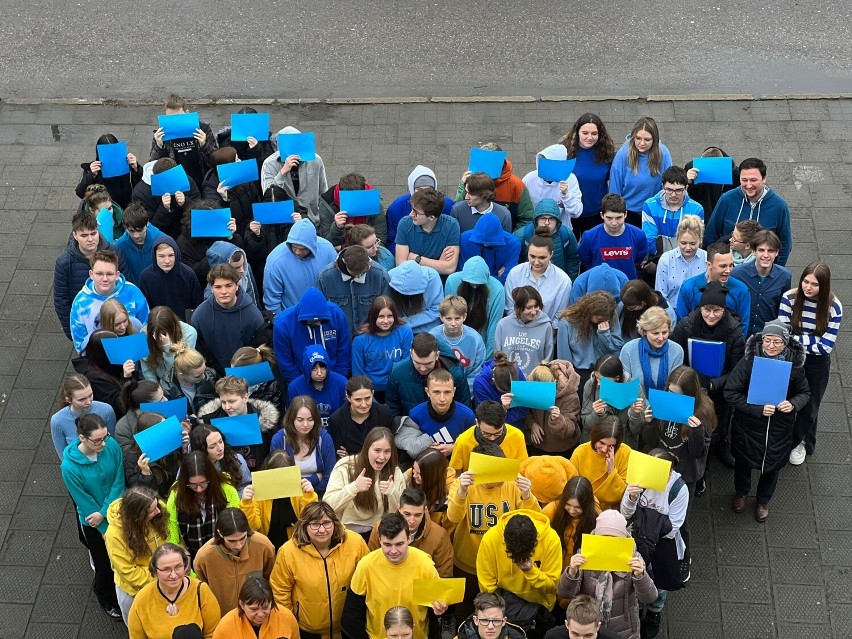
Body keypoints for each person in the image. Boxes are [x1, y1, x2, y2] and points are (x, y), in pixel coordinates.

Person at [725, 320, 810, 521]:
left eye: (777, 342)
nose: (771, 346)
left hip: (779, 428)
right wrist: (757, 409)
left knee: (773, 466)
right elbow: (730, 392)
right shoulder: (748, 362)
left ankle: (763, 500)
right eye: (767, 340)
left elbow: (805, 392)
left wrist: (793, 404)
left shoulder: (794, 367)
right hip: (748, 426)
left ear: (786, 344)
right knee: (743, 462)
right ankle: (742, 492)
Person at [446, 442, 538, 614]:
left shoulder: (513, 481)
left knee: (498, 615)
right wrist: (462, 493)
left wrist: (527, 496)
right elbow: (453, 517)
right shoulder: (462, 484)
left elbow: (535, 521)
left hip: (503, 565)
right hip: (468, 563)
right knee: (466, 611)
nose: (503, 477)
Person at [638, 368, 714, 570]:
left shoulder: (703, 413)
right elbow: (650, 440)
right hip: (658, 465)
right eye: (670, 392)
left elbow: (699, 453)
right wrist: (650, 423)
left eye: (678, 395)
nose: (672, 398)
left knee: (680, 521)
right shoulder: (661, 404)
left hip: (684, 475)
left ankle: (684, 558)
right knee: (650, 510)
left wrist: (697, 431)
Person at [669, 283, 745, 471]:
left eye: (717, 310)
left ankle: (719, 446)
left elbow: (737, 369)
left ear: (724, 309)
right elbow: (675, 354)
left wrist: (714, 384)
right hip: (690, 386)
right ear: (701, 308)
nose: (711, 315)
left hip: (719, 389)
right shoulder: (686, 326)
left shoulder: (734, 332)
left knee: (719, 422)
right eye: (707, 309)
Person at [270, 501, 370, 639]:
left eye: (327, 523)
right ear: (304, 525)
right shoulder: (288, 552)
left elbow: (368, 579)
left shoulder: (355, 542)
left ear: (334, 523)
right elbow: (280, 590)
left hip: (347, 628)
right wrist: (290, 622)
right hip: (308, 631)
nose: (322, 530)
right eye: (315, 524)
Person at [341, 513, 447, 639]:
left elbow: (436, 606)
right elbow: (352, 612)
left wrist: (439, 609)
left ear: (408, 538)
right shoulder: (366, 565)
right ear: (379, 540)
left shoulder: (424, 564)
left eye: (399, 544)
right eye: (387, 545)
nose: (393, 551)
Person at [61, 413, 126, 618]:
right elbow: (83, 500)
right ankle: (104, 596)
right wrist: (104, 526)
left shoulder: (111, 445)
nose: (104, 443)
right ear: (82, 438)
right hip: (94, 523)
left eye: (105, 437)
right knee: (104, 565)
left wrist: (105, 511)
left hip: (114, 512)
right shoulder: (69, 467)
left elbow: (118, 480)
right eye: (97, 440)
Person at [779, 261, 843, 464]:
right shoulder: (789, 298)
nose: (808, 287)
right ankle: (783, 438)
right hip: (791, 359)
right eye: (805, 281)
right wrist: (810, 340)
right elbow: (782, 336)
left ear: (823, 287)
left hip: (816, 363)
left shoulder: (834, 308)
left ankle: (800, 442)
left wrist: (795, 340)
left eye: (814, 284)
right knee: (785, 398)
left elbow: (825, 347)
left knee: (810, 405)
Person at [557, 511, 657, 639]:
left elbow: (650, 598)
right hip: (588, 627)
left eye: (614, 540)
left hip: (623, 628)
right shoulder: (584, 556)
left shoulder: (634, 559)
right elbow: (564, 593)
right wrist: (571, 572)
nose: (609, 544)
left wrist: (640, 576)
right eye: (604, 538)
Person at [620, 450, 687, 638]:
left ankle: (654, 611)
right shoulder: (638, 481)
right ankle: (638, 606)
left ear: (668, 471)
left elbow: (672, 528)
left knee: (659, 582)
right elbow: (624, 513)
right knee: (637, 576)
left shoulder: (678, 489)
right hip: (637, 542)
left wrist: (642, 518)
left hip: (661, 547)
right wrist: (632, 498)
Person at [476, 511, 562, 632]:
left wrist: (531, 571)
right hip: (503, 609)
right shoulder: (490, 538)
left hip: (539, 613)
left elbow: (552, 587)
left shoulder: (551, 539)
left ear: (535, 542)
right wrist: (500, 615)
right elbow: (487, 585)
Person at [54, 210, 129, 341]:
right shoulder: (64, 263)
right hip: (88, 327)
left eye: (93, 233)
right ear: (75, 236)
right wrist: (73, 332)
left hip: (118, 323)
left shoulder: (115, 253)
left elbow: (126, 288)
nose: (90, 239)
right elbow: (62, 301)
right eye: (84, 235)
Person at [704, 157, 793, 265]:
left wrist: (775, 271)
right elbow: (710, 234)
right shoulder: (727, 199)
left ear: (764, 179)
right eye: (744, 180)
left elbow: (785, 243)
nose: (749, 185)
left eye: (753, 180)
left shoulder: (779, 207)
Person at [127, 543, 221, 639]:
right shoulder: (143, 598)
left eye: (178, 567)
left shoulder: (201, 591)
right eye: (166, 570)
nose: (173, 575)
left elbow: (213, 634)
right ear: (155, 572)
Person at [324, 428, 406, 538]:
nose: (382, 457)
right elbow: (328, 506)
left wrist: (392, 492)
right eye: (377, 450)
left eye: (387, 451)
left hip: (379, 533)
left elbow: (403, 512)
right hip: (346, 532)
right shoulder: (345, 466)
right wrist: (354, 488)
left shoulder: (395, 472)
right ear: (367, 449)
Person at [104, 486, 169, 623]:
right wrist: (164, 576)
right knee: (137, 626)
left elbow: (173, 539)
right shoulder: (114, 535)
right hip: (134, 591)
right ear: (138, 516)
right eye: (152, 511)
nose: (158, 511)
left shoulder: (158, 507)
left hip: (165, 579)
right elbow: (129, 573)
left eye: (156, 505)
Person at [194, 508, 275, 613]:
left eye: (243, 538)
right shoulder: (204, 557)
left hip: (257, 616)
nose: (238, 545)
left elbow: (272, 581)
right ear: (220, 533)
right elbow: (202, 593)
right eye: (232, 541)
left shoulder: (264, 546)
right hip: (222, 619)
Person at [70, 250, 150, 354]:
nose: (105, 279)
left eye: (109, 274)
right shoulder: (80, 302)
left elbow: (146, 326)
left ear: (117, 275)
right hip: (100, 360)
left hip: (134, 356)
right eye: (99, 274)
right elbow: (80, 342)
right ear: (91, 274)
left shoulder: (133, 292)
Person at [166, 451, 241, 560]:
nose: (199, 489)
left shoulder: (226, 489)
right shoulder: (177, 494)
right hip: (190, 556)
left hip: (223, 553)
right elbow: (172, 535)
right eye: (193, 484)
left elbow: (233, 526)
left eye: (203, 483)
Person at [192, 263, 265, 374]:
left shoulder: (254, 316)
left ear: (237, 286)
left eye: (228, 285)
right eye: (218, 287)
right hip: (213, 376)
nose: (224, 291)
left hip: (245, 376)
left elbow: (259, 356)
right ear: (211, 288)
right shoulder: (199, 316)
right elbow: (198, 353)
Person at [198, 375, 280, 472]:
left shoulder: (264, 421)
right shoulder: (210, 422)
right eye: (223, 402)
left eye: (232, 401)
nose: (227, 407)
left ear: (245, 398)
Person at [367, 487, 454, 577]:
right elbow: (372, 561)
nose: (412, 520)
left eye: (417, 515)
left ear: (425, 510)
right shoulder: (379, 527)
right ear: (399, 508)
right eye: (407, 514)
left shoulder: (439, 535)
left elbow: (444, 574)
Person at [239, 450, 318, 549]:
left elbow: (311, 519)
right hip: (267, 546)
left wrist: (309, 496)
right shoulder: (257, 491)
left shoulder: (300, 488)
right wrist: (247, 503)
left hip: (297, 545)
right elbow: (253, 527)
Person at [273, 286, 351, 385]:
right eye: (313, 321)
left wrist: (338, 380)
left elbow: (344, 351)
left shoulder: (336, 314)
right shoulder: (283, 323)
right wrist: (301, 386)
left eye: (321, 320)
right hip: (302, 381)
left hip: (334, 378)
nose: (318, 323)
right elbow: (285, 361)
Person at [395, 369, 477, 460]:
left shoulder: (467, 415)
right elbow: (412, 447)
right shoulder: (415, 414)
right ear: (427, 392)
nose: (442, 398)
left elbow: (475, 446)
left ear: (454, 392)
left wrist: (455, 448)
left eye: (447, 392)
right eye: (436, 392)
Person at [559, 113, 617, 238]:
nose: (589, 137)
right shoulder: (564, 152)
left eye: (594, 134)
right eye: (585, 133)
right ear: (577, 132)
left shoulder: (607, 154)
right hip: (569, 212)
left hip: (596, 214)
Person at [386, 332, 471, 417]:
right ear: (411, 354)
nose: (423, 368)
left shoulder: (455, 374)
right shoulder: (397, 373)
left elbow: (464, 408)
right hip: (411, 425)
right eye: (417, 363)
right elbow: (393, 407)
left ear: (437, 355)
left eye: (428, 363)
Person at [609, 117, 672, 228]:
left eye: (647, 140)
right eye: (638, 138)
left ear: (655, 139)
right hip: (629, 213)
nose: (641, 143)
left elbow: (668, 183)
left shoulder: (663, 153)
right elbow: (615, 190)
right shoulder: (623, 155)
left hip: (654, 212)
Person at [675, 242, 750, 336]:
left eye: (731, 265)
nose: (728, 270)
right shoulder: (689, 287)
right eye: (723, 266)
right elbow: (682, 323)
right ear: (709, 265)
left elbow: (743, 326)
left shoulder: (741, 290)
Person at [454, 143, 534, 231]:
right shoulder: (469, 181)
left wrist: (512, 239)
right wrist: (463, 184)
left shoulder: (516, 185)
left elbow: (526, 219)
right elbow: (458, 208)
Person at [264, 218, 338, 314]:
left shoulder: (327, 250)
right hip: (293, 320)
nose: (298, 252)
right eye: (294, 247)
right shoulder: (275, 261)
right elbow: (272, 301)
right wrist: (281, 324)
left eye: (303, 249)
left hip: (325, 316)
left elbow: (337, 283)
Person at [317, 245, 391, 336]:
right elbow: (320, 312)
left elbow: (388, 309)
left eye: (362, 272)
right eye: (355, 273)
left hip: (370, 338)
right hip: (340, 337)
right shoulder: (325, 277)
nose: (359, 276)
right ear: (344, 262)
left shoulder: (380, 275)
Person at [260, 125, 329, 223]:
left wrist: (322, 218)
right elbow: (268, 195)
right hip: (285, 221)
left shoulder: (315, 160)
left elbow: (323, 190)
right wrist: (282, 173)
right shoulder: (269, 164)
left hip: (312, 219)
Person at [731, 230, 793, 338]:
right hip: (740, 336)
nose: (766, 255)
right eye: (761, 250)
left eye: (770, 251)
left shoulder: (785, 277)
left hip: (767, 339)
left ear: (777, 253)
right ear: (753, 251)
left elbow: (783, 310)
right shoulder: (737, 274)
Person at [503, 235, 572, 329]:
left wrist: (545, 335)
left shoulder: (563, 281)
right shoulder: (515, 273)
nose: (536, 262)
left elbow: (560, 316)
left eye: (542, 258)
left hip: (546, 333)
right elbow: (510, 308)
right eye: (532, 256)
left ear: (551, 255)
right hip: (516, 330)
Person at [556, 291, 623, 388]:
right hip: (580, 373)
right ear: (589, 313)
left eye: (606, 319)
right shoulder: (567, 323)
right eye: (599, 319)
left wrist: (604, 334)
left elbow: (615, 349)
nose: (604, 321)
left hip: (605, 371)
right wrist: (568, 377)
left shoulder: (610, 315)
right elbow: (564, 358)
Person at [150, 94, 218, 188]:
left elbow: (216, 160)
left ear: (187, 112)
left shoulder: (203, 129)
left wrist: (204, 145)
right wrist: (159, 147)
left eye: (179, 117)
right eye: (170, 119)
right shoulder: (162, 134)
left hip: (201, 179)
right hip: (176, 181)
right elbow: (154, 165)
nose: (175, 122)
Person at [352, 296, 414, 400]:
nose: (386, 321)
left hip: (397, 386)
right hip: (370, 391)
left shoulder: (405, 331)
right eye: (381, 316)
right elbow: (357, 374)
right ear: (373, 316)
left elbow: (407, 365)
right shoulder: (360, 340)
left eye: (390, 316)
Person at [270, 396, 337, 491]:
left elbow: (331, 478)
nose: (305, 425)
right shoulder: (278, 440)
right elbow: (278, 480)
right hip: (288, 497)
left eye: (310, 419)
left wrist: (311, 491)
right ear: (291, 419)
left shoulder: (324, 438)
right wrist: (315, 478)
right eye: (300, 420)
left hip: (319, 494)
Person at [386, 165, 455, 255]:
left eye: (429, 189)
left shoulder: (448, 205)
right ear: (412, 189)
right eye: (419, 189)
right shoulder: (397, 208)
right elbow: (391, 241)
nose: (424, 194)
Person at [578, 193, 649, 281]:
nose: (614, 223)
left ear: (625, 214)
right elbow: (585, 260)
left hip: (628, 286)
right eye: (609, 218)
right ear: (602, 215)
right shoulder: (589, 237)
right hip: (600, 285)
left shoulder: (638, 235)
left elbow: (639, 258)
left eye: (618, 218)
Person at [445, 256, 505, 359]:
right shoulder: (452, 281)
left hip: (482, 342)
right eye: (470, 282)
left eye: (478, 283)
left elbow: (494, 328)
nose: (474, 286)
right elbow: (448, 316)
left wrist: (486, 359)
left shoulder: (498, 290)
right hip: (456, 340)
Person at [72, 329, 141, 418]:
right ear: (104, 353)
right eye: (115, 347)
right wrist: (127, 378)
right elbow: (119, 405)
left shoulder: (104, 361)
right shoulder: (94, 378)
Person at [640, 166, 705, 260]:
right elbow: (649, 242)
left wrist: (662, 242)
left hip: (686, 260)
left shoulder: (697, 209)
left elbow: (696, 241)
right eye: (669, 189)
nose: (673, 194)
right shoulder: (649, 206)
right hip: (658, 259)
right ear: (663, 187)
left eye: (678, 190)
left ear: (686, 188)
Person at [579, 355, 645, 447]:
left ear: (617, 377)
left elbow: (637, 430)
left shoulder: (634, 387)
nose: (598, 383)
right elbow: (585, 424)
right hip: (596, 443)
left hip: (622, 444)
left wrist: (635, 414)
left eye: (602, 380)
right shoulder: (590, 385)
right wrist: (597, 414)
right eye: (596, 378)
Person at [449, 401, 529, 475]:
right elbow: (455, 473)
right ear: (477, 422)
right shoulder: (463, 441)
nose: (492, 438)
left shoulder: (517, 436)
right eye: (486, 434)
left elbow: (522, 467)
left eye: (497, 433)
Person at [395, 186, 461, 275]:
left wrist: (416, 259)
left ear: (431, 217)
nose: (411, 214)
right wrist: (439, 264)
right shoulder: (405, 224)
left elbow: (450, 268)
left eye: (416, 212)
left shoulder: (451, 225)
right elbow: (401, 266)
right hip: (412, 279)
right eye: (412, 209)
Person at [569, 418, 630, 511]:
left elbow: (622, 493)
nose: (604, 449)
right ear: (595, 437)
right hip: (583, 508)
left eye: (611, 446)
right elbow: (571, 488)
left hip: (611, 512)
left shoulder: (625, 453)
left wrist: (611, 471)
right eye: (601, 443)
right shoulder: (580, 452)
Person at [522, 360, 581, 456]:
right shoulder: (534, 388)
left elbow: (570, 430)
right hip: (538, 446)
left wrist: (557, 419)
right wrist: (532, 424)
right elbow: (526, 413)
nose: (538, 393)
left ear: (554, 382)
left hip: (562, 449)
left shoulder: (570, 396)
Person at [619, 307, 684, 395]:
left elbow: (674, 388)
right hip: (636, 405)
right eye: (655, 333)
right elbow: (625, 386)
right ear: (644, 331)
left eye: (664, 332)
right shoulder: (628, 350)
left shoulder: (677, 351)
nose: (661, 338)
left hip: (665, 404)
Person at [327, 376, 395, 459]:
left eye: (367, 398)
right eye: (358, 400)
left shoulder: (384, 413)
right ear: (348, 397)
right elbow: (339, 457)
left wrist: (351, 457)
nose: (363, 404)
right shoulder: (336, 420)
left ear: (372, 394)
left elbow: (390, 447)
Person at [51, 373, 117, 459]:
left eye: (90, 395)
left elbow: (113, 443)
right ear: (69, 400)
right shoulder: (58, 421)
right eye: (82, 399)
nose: (89, 402)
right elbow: (63, 456)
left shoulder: (106, 410)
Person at [133, 158, 202, 239]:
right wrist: (163, 209)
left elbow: (199, 212)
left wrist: (186, 203)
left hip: (187, 234)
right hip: (162, 238)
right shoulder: (141, 192)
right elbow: (149, 228)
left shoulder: (186, 180)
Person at [514, 198, 580, 282]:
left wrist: (570, 282)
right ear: (536, 220)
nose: (546, 222)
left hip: (557, 282)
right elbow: (514, 263)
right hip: (528, 282)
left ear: (557, 220)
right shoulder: (522, 235)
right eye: (543, 218)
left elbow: (573, 261)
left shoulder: (566, 235)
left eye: (551, 219)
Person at [429, 295, 486, 392]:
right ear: (441, 317)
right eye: (448, 319)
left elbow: (478, 370)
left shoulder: (475, 338)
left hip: (467, 389)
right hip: (438, 389)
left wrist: (462, 389)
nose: (453, 323)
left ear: (464, 317)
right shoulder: (432, 337)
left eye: (457, 318)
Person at [212, 576, 299, 639]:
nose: (260, 614)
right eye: (254, 609)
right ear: (241, 605)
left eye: (265, 607)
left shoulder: (287, 617)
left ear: (272, 602)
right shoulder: (225, 626)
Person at [542, 477, 599, 572]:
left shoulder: (595, 516)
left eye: (578, 507)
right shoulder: (552, 510)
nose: (572, 511)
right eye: (568, 505)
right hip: (553, 567)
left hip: (578, 571)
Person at [139, 236, 204, 321]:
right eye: (161, 256)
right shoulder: (145, 277)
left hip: (186, 325)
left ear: (176, 254)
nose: (167, 261)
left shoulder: (188, 274)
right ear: (155, 256)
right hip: (159, 325)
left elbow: (198, 305)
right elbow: (146, 309)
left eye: (171, 255)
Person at [202, 147, 263, 237]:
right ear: (228, 166)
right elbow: (219, 221)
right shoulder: (210, 189)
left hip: (253, 230)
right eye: (237, 159)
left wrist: (252, 227)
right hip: (234, 235)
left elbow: (257, 201)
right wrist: (225, 200)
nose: (240, 161)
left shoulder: (243, 176)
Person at [495, 286, 554, 377]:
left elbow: (548, 359)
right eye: (529, 308)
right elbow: (497, 355)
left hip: (534, 382)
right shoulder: (503, 324)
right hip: (508, 380)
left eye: (536, 306)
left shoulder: (546, 326)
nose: (533, 312)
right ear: (517, 308)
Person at [317, 172, 387, 248]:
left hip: (370, 250)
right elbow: (328, 244)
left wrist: (342, 247)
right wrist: (337, 227)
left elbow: (381, 239)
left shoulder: (374, 202)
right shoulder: (326, 205)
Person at [522, 144, 583, 229]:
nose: (544, 167)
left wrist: (566, 195)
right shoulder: (529, 179)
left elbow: (576, 213)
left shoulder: (570, 179)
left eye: (549, 164)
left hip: (561, 231)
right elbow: (522, 210)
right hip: (535, 230)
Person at [286, 345, 347, 427]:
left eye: (322, 367)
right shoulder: (294, 388)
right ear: (306, 368)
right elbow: (291, 420)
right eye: (314, 368)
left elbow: (348, 415)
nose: (319, 373)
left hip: (337, 433)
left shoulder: (342, 383)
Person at [124, 413, 183, 497]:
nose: (167, 431)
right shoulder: (132, 458)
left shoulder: (172, 447)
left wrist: (185, 449)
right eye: (162, 429)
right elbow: (142, 494)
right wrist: (146, 473)